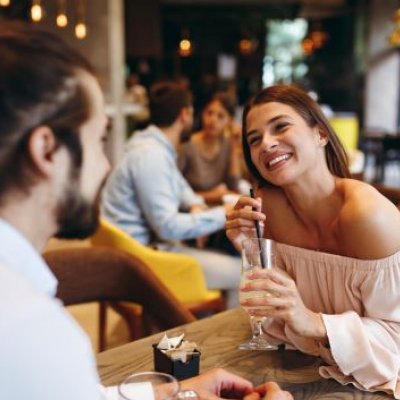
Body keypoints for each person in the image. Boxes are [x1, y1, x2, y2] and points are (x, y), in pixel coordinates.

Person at [0, 22, 291, 400]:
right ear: (47, 151)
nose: (106, 167)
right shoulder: (31, 332)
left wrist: (171, 391)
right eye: (98, 140)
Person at [225, 84, 400, 398]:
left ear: (320, 134)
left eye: (281, 126)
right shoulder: (269, 205)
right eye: (254, 139)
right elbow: (279, 316)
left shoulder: (366, 216)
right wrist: (248, 246)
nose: (266, 144)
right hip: (310, 369)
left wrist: (316, 323)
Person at [101, 81, 241, 308]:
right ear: (185, 115)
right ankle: (226, 338)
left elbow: (181, 186)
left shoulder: (153, 147)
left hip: (139, 251)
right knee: (245, 271)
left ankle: (201, 324)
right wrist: (224, 213)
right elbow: (167, 226)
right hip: (143, 260)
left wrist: (196, 204)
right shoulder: (150, 156)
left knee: (226, 260)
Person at [178, 91, 241, 204]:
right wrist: (213, 196)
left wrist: (233, 146)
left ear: (230, 121)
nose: (213, 120)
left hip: (216, 207)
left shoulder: (227, 144)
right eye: (209, 113)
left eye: (220, 116)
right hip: (191, 208)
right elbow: (174, 191)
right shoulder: (187, 145)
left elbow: (234, 186)